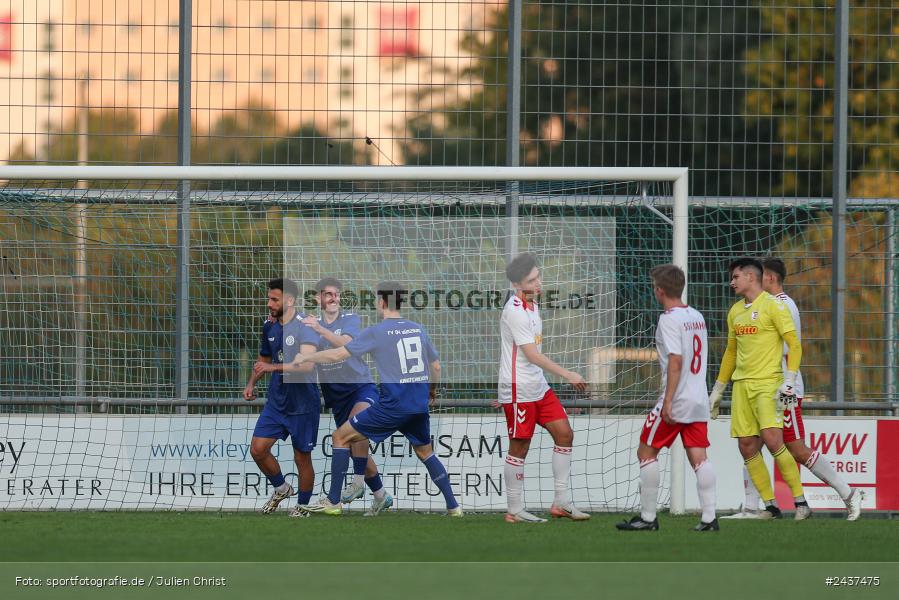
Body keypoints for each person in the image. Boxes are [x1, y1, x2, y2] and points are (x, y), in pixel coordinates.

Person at [296, 281, 461, 517]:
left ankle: (333, 501)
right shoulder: (417, 328)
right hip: (417, 405)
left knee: (340, 437)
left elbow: (337, 354)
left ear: (382, 302)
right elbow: (435, 365)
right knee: (426, 452)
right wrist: (431, 391)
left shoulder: (376, 331)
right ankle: (454, 507)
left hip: (392, 405)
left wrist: (305, 358)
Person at [724, 258, 862, 520]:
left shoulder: (781, 305)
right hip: (763, 386)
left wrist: (785, 382)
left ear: (769, 278)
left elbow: (788, 348)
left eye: (758, 276)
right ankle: (756, 507)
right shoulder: (758, 306)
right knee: (751, 444)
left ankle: (849, 493)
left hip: (783, 390)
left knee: (796, 448)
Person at [617, 264, 718, 531]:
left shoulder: (668, 319)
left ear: (659, 291)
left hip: (677, 399)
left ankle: (648, 518)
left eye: (654, 287)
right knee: (699, 458)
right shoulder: (696, 315)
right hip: (698, 398)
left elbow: (676, 360)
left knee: (646, 451)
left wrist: (669, 401)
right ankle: (709, 518)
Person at [709, 257, 808, 519]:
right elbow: (731, 352)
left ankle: (801, 503)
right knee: (747, 446)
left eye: (736, 277)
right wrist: (718, 388)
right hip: (742, 386)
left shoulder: (774, 306)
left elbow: (794, 345)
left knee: (775, 441)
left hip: (769, 384)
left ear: (751, 277)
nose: (732, 282)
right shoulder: (735, 312)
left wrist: (789, 379)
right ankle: (771, 507)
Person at [498, 253, 590, 523]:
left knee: (565, 434)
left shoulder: (533, 305)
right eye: (532, 280)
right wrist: (568, 374)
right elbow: (532, 355)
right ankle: (514, 510)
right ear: (517, 285)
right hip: (519, 390)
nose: (538, 283)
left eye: (539, 276)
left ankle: (561, 502)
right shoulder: (514, 310)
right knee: (520, 447)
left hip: (538, 386)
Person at [302, 277, 393, 516]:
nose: (334, 299)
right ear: (317, 298)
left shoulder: (350, 319)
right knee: (352, 443)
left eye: (337, 294)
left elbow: (346, 346)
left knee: (351, 431)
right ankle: (381, 495)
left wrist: (320, 329)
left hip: (360, 388)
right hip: (337, 398)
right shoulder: (309, 326)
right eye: (328, 294)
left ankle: (342, 495)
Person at [244, 278, 321, 517]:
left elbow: (306, 367)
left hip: (303, 403)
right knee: (258, 449)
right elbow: (264, 361)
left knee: (302, 457)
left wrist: (272, 369)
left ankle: (303, 506)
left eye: (274, 299)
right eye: (269, 298)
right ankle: (281, 488)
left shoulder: (305, 326)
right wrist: (251, 383)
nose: (269, 303)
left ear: (290, 301)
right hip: (277, 401)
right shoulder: (270, 326)